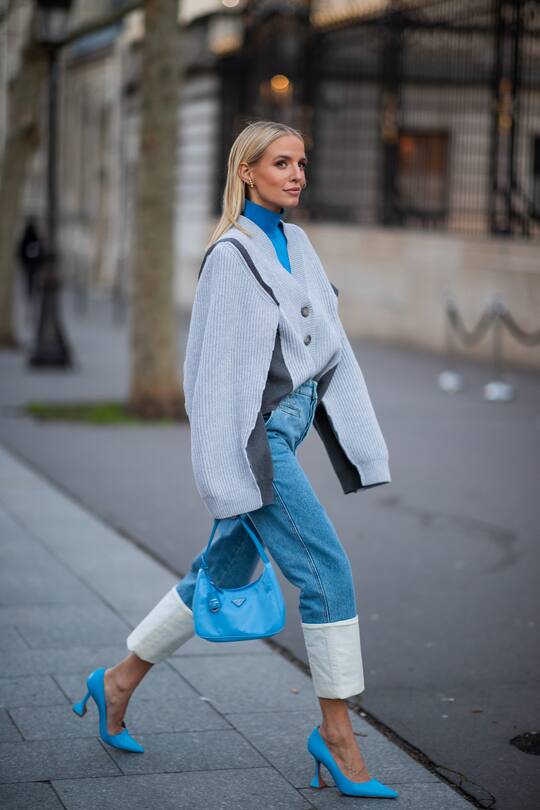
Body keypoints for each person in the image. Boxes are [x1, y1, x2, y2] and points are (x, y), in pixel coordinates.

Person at [72, 121, 398, 799]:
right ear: (246, 171)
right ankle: (335, 736)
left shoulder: (297, 242)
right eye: (282, 162)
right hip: (259, 445)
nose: (297, 173)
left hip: (290, 426)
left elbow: (325, 343)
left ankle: (116, 683)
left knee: (218, 572)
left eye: (302, 162)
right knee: (326, 571)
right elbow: (216, 381)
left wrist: (351, 429)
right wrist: (231, 475)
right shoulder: (231, 256)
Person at [16, 215, 46, 322]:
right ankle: (31, 312)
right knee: (33, 290)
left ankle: (30, 312)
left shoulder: (27, 237)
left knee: (30, 289)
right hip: (33, 267)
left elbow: (20, 252)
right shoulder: (35, 237)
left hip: (29, 267)